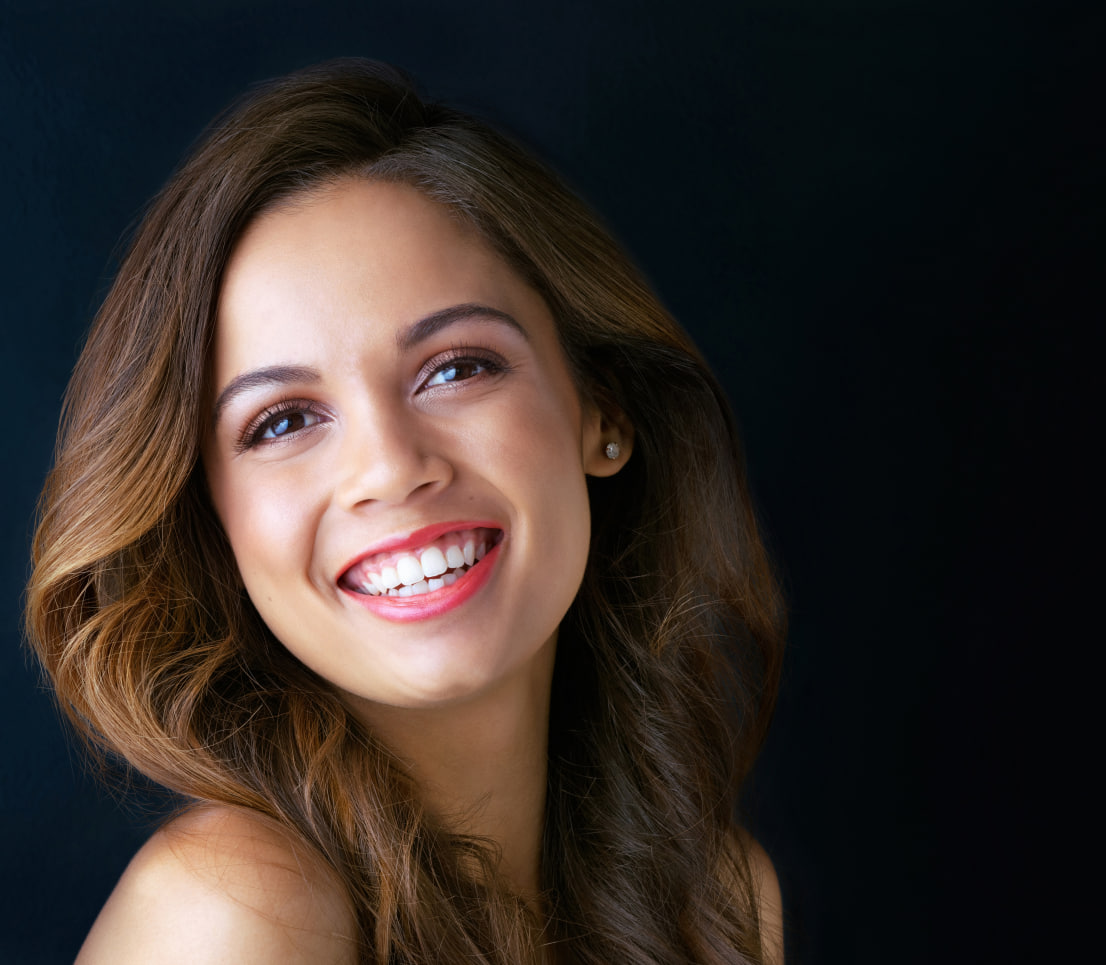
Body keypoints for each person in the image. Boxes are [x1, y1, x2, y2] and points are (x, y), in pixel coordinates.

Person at [26, 58, 785, 964]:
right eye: (283, 421)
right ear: (211, 526)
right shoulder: (237, 909)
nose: (389, 467)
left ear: (602, 411)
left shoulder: (719, 900)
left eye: (457, 368)